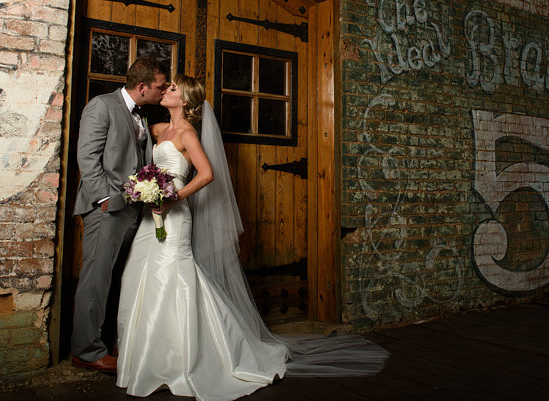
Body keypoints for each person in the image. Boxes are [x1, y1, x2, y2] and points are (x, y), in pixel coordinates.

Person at [116, 75, 388, 401]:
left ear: (184, 100)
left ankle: (196, 357)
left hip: (175, 217)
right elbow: (147, 167)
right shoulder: (159, 130)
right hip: (152, 218)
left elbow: (207, 174)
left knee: (176, 279)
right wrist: (145, 189)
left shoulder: (188, 134)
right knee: (143, 276)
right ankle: (151, 358)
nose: (166, 91)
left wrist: (175, 197)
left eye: (172, 89)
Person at [71, 57, 169, 374]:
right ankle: (86, 351)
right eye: (160, 86)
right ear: (142, 87)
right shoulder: (102, 106)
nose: (163, 90)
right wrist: (104, 199)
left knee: (117, 280)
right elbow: (87, 156)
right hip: (107, 209)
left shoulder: (142, 113)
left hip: (132, 210)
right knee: (96, 280)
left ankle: (111, 341)